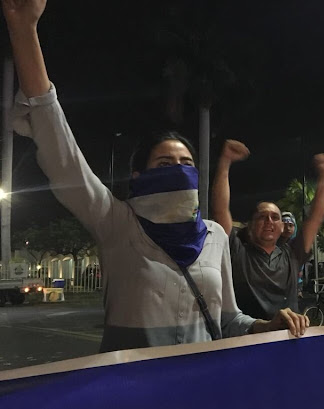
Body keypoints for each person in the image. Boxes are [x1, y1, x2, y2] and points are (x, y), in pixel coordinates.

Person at [2, 0, 308, 352]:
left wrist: (265, 325)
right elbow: (63, 159)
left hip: (201, 380)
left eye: (186, 163)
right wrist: (24, 30)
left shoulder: (215, 237)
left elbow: (227, 319)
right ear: (138, 176)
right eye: (165, 164)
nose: (178, 170)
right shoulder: (116, 223)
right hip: (131, 383)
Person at [211, 145, 324, 319]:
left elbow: (316, 216)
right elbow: (220, 210)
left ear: (282, 227)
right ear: (250, 225)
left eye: (275, 217)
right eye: (262, 217)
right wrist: (225, 161)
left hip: (289, 333)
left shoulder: (293, 255)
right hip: (250, 332)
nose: (269, 221)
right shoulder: (237, 252)